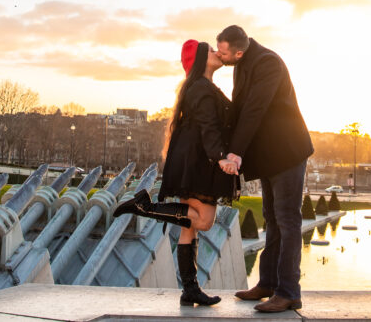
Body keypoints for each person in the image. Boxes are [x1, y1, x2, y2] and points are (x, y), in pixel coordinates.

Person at [113, 40, 237, 306]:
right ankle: (144, 208)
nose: (217, 52)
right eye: (211, 50)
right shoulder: (201, 88)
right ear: (201, 59)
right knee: (203, 221)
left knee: (188, 228)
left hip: (190, 160)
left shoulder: (199, 87)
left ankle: (189, 290)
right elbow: (208, 128)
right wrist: (221, 158)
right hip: (197, 162)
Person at [216, 25, 313, 313]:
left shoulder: (268, 62)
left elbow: (254, 109)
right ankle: (269, 283)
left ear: (239, 51)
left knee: (287, 220)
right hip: (271, 155)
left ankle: (289, 292)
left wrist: (235, 152)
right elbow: (238, 109)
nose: (221, 57)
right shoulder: (244, 63)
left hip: (286, 151)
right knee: (272, 218)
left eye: (223, 52)